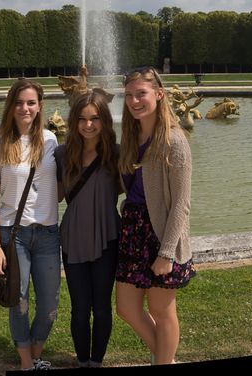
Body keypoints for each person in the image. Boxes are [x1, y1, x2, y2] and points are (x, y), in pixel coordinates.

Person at [115, 67, 195, 365]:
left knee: (162, 310)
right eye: (129, 96)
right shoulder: (132, 135)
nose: (134, 101)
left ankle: (163, 361)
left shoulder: (174, 141)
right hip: (134, 228)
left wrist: (166, 252)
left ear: (159, 95)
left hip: (162, 232)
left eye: (141, 94)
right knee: (126, 308)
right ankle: (167, 358)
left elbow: (181, 205)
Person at [0, 79, 60, 371]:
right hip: (12, 234)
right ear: (10, 106)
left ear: (40, 106)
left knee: (49, 307)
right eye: (18, 102)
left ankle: (36, 352)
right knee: (19, 302)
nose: (24, 108)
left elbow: (60, 184)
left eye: (30, 102)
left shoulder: (52, 140)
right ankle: (28, 364)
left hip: (49, 233)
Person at [55, 91, 122, 368]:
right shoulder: (61, 154)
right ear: (74, 121)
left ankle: (97, 362)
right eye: (82, 119)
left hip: (107, 236)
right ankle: (82, 361)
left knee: (102, 307)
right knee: (80, 309)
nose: (88, 125)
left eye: (95, 118)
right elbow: (54, 196)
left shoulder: (116, 153)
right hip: (73, 238)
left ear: (104, 120)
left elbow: (132, 189)